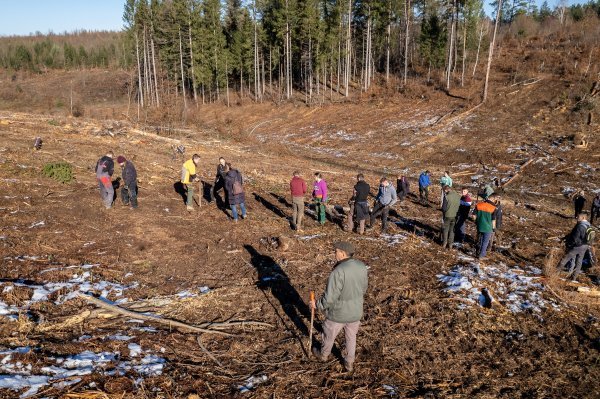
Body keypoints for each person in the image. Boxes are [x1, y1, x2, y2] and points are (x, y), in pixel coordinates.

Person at [310, 241, 368, 372]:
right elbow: (363, 288)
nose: (334, 253)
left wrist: (317, 304)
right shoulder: (361, 266)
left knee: (328, 334)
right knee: (351, 336)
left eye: (336, 251)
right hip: (356, 311)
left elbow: (330, 297)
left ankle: (323, 355)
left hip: (338, 314)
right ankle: (349, 362)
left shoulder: (338, 271)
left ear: (342, 253)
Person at [558, 212, 592, 281]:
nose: (577, 218)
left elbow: (575, 237)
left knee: (565, 258)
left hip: (577, 246)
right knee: (579, 261)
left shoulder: (580, 226)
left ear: (583, 218)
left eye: (578, 217)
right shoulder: (589, 225)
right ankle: (574, 277)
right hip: (585, 246)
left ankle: (554, 272)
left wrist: (569, 244)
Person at [473, 193, 497, 259]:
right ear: (493, 199)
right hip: (488, 227)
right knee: (485, 241)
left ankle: (478, 252)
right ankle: (481, 255)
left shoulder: (479, 205)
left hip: (479, 226)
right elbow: (493, 220)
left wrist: (476, 222)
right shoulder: (493, 208)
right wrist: (494, 228)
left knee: (480, 239)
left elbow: (473, 215)